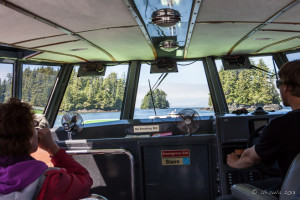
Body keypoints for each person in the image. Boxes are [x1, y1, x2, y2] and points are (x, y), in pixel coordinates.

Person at [226, 60, 300, 193]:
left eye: (279, 83)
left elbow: (250, 159)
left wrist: (234, 162)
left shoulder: (281, 125)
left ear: (286, 87)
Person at [0, 98, 93, 200]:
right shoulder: (51, 181)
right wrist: (53, 148)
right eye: (34, 125)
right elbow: (84, 180)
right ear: (29, 139)